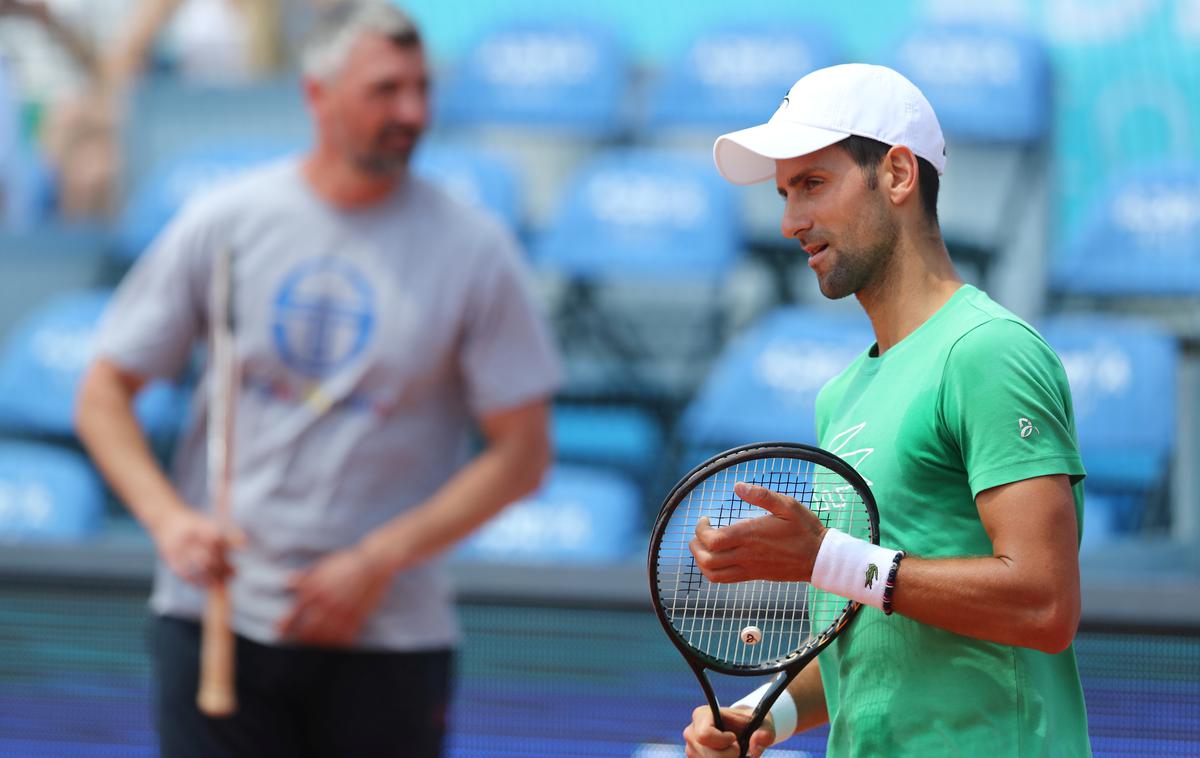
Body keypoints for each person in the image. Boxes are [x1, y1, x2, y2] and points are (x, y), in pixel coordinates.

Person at [74, 3, 560, 757]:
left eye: (422, 89)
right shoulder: (226, 222)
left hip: (393, 634)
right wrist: (171, 523)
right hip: (218, 622)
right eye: (385, 90)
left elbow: (522, 455)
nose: (413, 111)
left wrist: (378, 560)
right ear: (316, 95)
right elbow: (103, 394)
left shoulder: (476, 248)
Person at [681, 63, 1090, 757]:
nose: (790, 222)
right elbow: (874, 632)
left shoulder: (987, 352)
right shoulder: (841, 396)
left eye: (812, 184)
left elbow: (1043, 602)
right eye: (784, 193)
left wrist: (830, 560)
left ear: (898, 175)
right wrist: (761, 716)